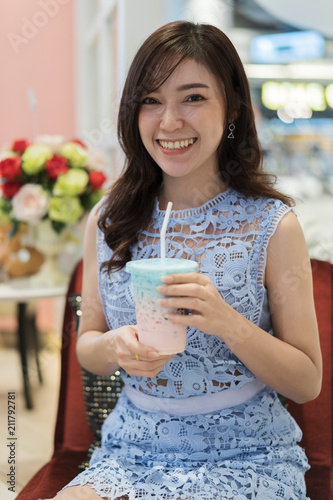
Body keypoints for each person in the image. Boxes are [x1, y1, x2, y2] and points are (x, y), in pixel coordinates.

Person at [52, 20, 322, 500]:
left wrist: (225, 321)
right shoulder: (109, 218)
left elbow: (306, 383)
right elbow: (87, 349)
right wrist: (116, 346)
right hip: (130, 452)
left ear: (233, 106)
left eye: (193, 98)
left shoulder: (273, 226)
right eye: (151, 101)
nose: (169, 122)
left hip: (247, 456)